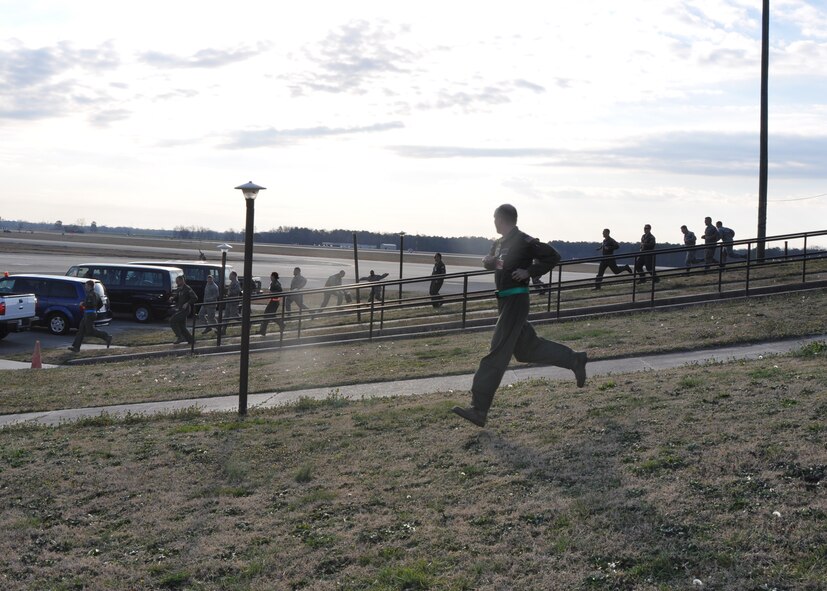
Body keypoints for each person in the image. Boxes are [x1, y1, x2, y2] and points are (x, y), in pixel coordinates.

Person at [452, 204, 588, 428]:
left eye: (495, 219)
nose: (493, 222)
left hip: (516, 300)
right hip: (505, 301)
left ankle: (479, 409)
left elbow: (552, 256)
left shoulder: (524, 241)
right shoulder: (498, 243)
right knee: (526, 350)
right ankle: (574, 359)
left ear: (502, 219)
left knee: (497, 352)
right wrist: (488, 262)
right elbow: (491, 261)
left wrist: (529, 272)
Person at [68, 280, 112, 352]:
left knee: (90, 331)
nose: (85, 287)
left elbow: (90, 303)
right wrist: (95, 309)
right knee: (81, 330)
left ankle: (106, 336)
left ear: (89, 286)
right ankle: (76, 347)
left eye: (86, 286)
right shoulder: (96, 294)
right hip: (88, 314)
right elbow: (100, 304)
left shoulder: (91, 295)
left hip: (89, 314)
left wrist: (83, 304)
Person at [170, 275, 198, 345]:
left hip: (185, 310)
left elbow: (195, 298)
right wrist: (172, 298)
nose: (176, 283)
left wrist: (187, 303)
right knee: (182, 326)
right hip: (180, 309)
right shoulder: (179, 289)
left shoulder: (187, 288)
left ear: (182, 281)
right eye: (176, 281)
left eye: (178, 281)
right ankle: (191, 340)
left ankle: (180, 337)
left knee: (172, 320)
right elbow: (177, 296)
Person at [259, 271, 284, 336]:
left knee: (268, 315)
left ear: (273, 276)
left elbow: (280, 290)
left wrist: (272, 293)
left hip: (274, 302)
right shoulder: (274, 283)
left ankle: (263, 330)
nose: (270, 277)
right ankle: (263, 330)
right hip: (273, 301)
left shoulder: (275, 283)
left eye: (271, 276)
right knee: (269, 315)